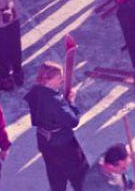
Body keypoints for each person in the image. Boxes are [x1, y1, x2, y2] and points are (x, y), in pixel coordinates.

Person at [24, 61, 88, 191]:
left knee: (56, 178)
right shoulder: (55, 101)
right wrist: (71, 102)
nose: (62, 80)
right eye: (59, 77)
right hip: (63, 144)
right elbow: (73, 121)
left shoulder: (35, 92)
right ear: (49, 80)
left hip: (45, 141)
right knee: (81, 175)